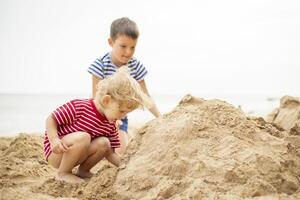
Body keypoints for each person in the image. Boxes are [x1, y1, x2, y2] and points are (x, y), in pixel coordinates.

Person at [44, 67, 152, 183]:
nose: (123, 116)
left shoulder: (110, 123)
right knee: (84, 137)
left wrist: (126, 166)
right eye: (121, 111)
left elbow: (110, 153)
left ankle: (83, 171)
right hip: (57, 152)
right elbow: (51, 119)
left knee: (104, 143)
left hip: (78, 155)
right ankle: (63, 173)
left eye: (126, 113)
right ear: (106, 101)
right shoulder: (80, 107)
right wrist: (54, 140)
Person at [88, 17, 161, 154]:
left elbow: (145, 95)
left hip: (119, 117)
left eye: (133, 47)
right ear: (111, 42)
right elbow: (95, 98)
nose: (128, 52)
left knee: (122, 151)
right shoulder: (100, 65)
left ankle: (124, 136)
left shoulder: (135, 66)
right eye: (123, 46)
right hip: (98, 116)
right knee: (93, 147)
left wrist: (160, 117)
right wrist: (104, 120)